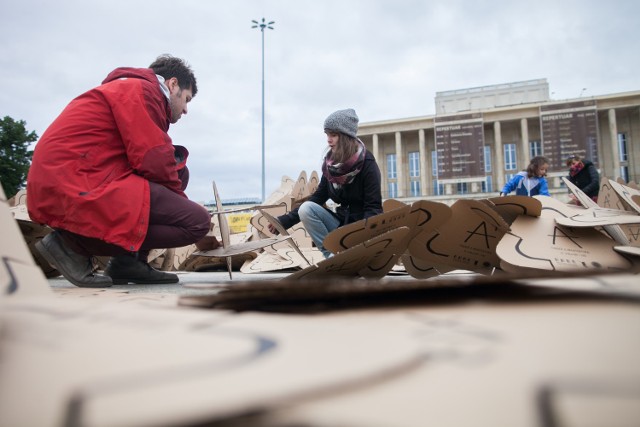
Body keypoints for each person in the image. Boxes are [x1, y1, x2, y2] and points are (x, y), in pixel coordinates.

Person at [28, 55, 214, 288]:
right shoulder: (143, 91)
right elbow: (152, 159)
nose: (186, 110)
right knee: (196, 223)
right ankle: (71, 246)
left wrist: (176, 203)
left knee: (179, 172)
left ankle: (128, 262)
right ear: (172, 84)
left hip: (79, 175)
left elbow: (154, 162)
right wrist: (183, 208)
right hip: (77, 180)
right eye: (186, 99)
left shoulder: (130, 90)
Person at [268, 108, 383, 258]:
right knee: (307, 208)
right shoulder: (331, 167)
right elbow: (317, 198)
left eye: (333, 135)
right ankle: (331, 258)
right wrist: (284, 221)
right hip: (341, 224)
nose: (328, 140)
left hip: (361, 230)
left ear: (346, 136)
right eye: (327, 135)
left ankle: (354, 256)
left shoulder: (367, 164)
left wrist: (367, 244)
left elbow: (373, 209)